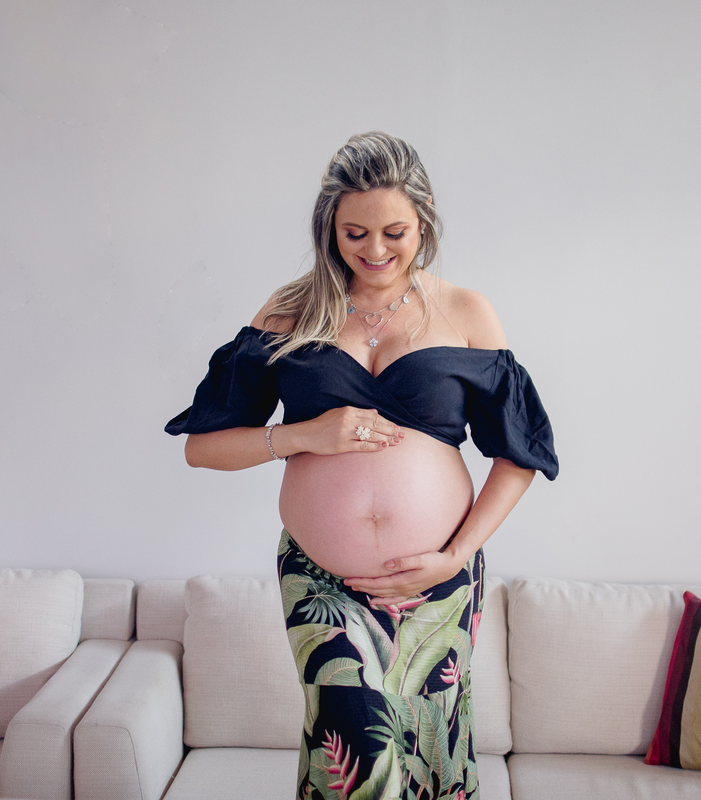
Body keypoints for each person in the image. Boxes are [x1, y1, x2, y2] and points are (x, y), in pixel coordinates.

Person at [166, 132, 557, 800]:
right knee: (352, 753)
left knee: (430, 749)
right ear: (329, 228)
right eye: (354, 234)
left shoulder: (465, 312)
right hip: (324, 580)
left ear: (424, 220)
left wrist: (455, 555)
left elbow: (517, 456)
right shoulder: (291, 311)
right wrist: (306, 434)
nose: (375, 250)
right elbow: (202, 448)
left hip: (438, 575)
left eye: (394, 232)